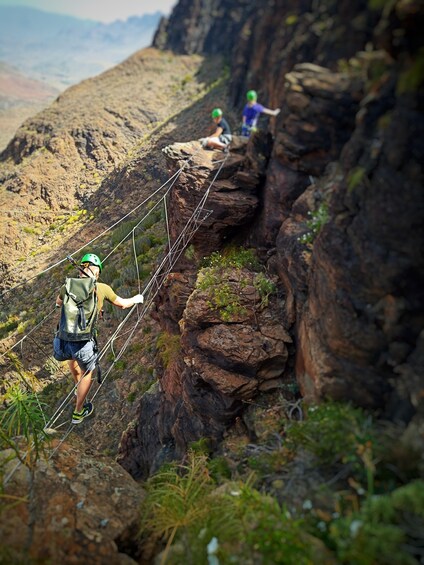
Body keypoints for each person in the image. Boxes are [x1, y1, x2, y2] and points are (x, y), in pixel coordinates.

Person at [53, 253, 144, 424]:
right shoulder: (101, 288)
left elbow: (58, 303)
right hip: (83, 344)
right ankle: (78, 412)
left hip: (62, 342)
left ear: (81, 270)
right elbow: (123, 304)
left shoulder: (68, 286)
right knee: (87, 372)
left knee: (72, 360)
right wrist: (137, 299)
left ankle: (77, 386)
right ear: (97, 273)